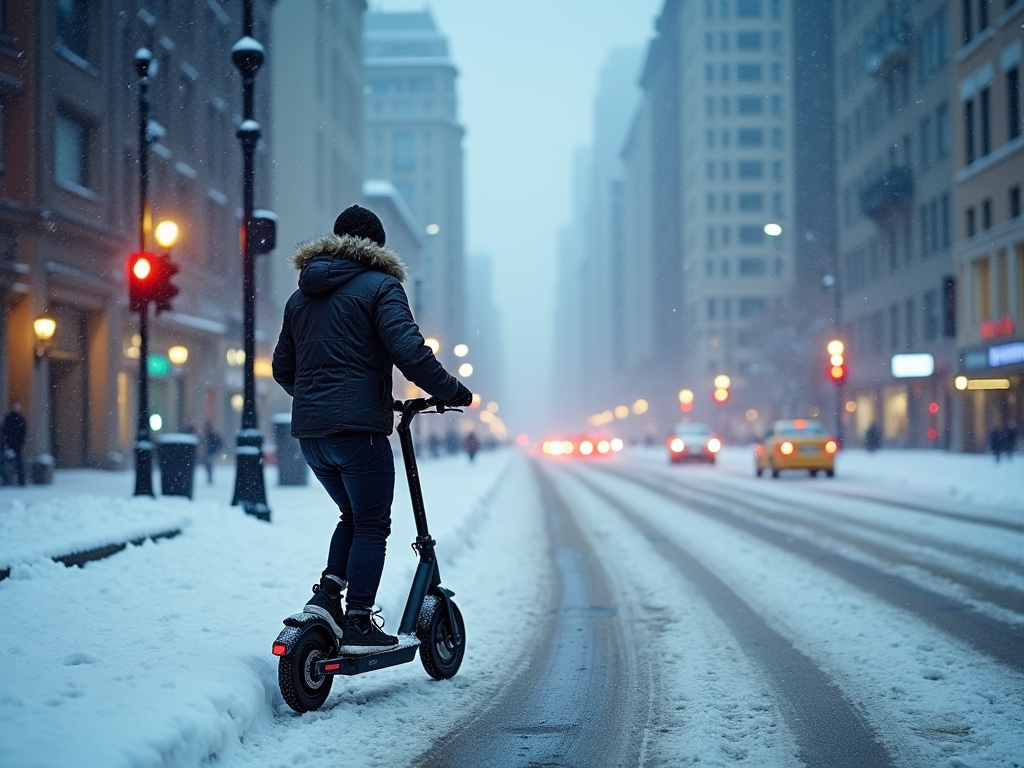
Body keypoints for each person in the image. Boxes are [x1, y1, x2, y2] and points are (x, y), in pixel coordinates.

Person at [272, 205, 472, 654]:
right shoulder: (382, 286)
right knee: (372, 524)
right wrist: (453, 391)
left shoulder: (300, 296)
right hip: (359, 433)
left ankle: (327, 596)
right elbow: (409, 350)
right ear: (376, 247)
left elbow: (283, 367)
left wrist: (316, 401)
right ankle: (359, 618)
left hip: (313, 439)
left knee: (353, 516)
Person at [1, 403, 27, 487]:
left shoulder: (20, 419)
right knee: (3, 462)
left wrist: (20, 443)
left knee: (19, 463)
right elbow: (4, 429)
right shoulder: (9, 418)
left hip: (16, 445)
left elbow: (23, 433)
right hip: (9, 444)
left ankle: (21, 481)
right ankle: (4, 480)